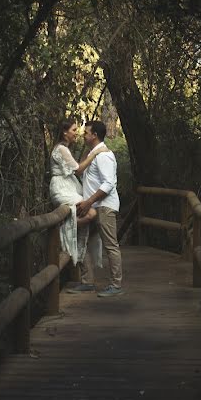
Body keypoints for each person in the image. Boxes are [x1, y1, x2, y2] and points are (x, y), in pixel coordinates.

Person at [47, 119, 108, 268]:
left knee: (88, 212)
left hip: (69, 186)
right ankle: (61, 230)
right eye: (74, 130)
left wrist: (88, 153)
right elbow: (78, 170)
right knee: (91, 212)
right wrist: (94, 154)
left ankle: (66, 229)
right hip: (61, 187)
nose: (77, 133)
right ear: (64, 132)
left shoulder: (64, 149)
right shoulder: (61, 149)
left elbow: (76, 167)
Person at [73, 120, 124, 297]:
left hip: (104, 206)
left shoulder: (104, 156)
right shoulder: (93, 153)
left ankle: (116, 285)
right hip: (92, 207)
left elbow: (109, 183)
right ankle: (87, 282)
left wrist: (88, 202)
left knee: (111, 245)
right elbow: (78, 171)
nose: (83, 135)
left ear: (94, 135)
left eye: (86, 132)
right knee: (83, 241)